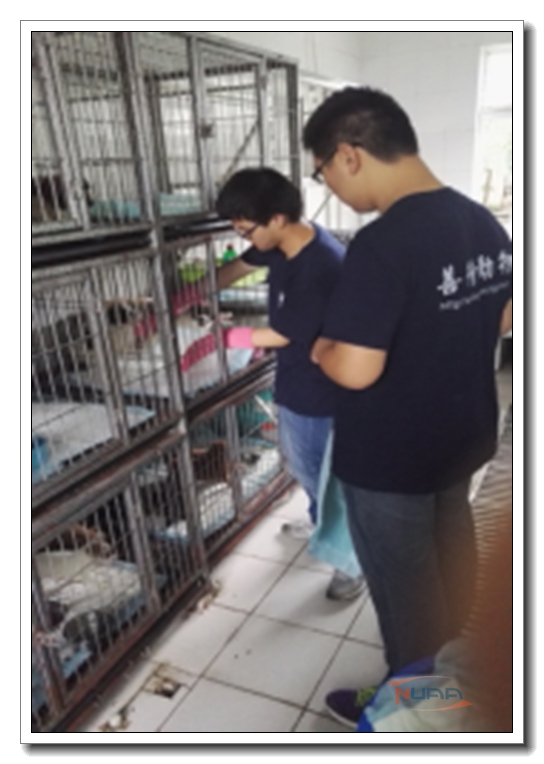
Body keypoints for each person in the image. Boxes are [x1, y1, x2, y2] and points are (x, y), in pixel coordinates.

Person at [302, 87, 513, 726]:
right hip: (461, 438)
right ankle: (456, 684)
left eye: (323, 172)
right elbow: (505, 319)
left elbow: (356, 369)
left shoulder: (382, 243)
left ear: (349, 155)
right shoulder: (482, 221)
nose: (331, 186)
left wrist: (322, 348)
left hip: (391, 460)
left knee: (407, 599)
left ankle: (411, 714)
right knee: (452, 563)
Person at [215, 167, 364, 601]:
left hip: (321, 389)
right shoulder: (284, 243)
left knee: (323, 474)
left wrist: (221, 337)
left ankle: (351, 560)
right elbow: (240, 266)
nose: (244, 238)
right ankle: (321, 525)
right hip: (298, 379)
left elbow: (281, 334)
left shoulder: (319, 266)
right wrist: (191, 293)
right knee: (305, 466)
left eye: (246, 230)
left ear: (277, 218)